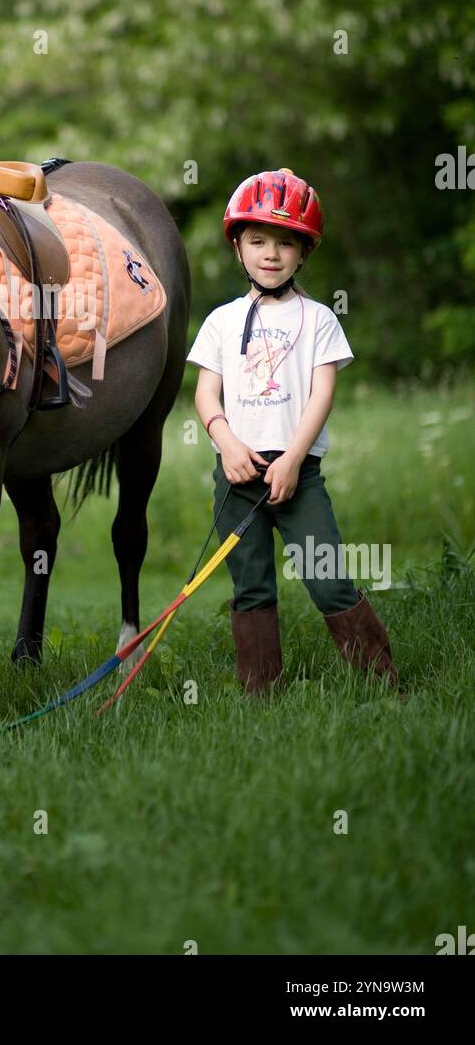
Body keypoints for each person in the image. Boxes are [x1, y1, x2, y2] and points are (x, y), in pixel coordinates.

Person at [186, 167, 399, 696]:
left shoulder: (320, 318)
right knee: (251, 585)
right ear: (238, 247)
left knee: (328, 578)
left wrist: (293, 460)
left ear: (303, 252)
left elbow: (322, 394)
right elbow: (205, 394)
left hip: (296, 474)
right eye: (257, 240)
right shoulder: (220, 321)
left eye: (285, 243)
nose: (271, 253)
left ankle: (382, 685)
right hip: (238, 476)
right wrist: (227, 443)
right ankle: (261, 693)